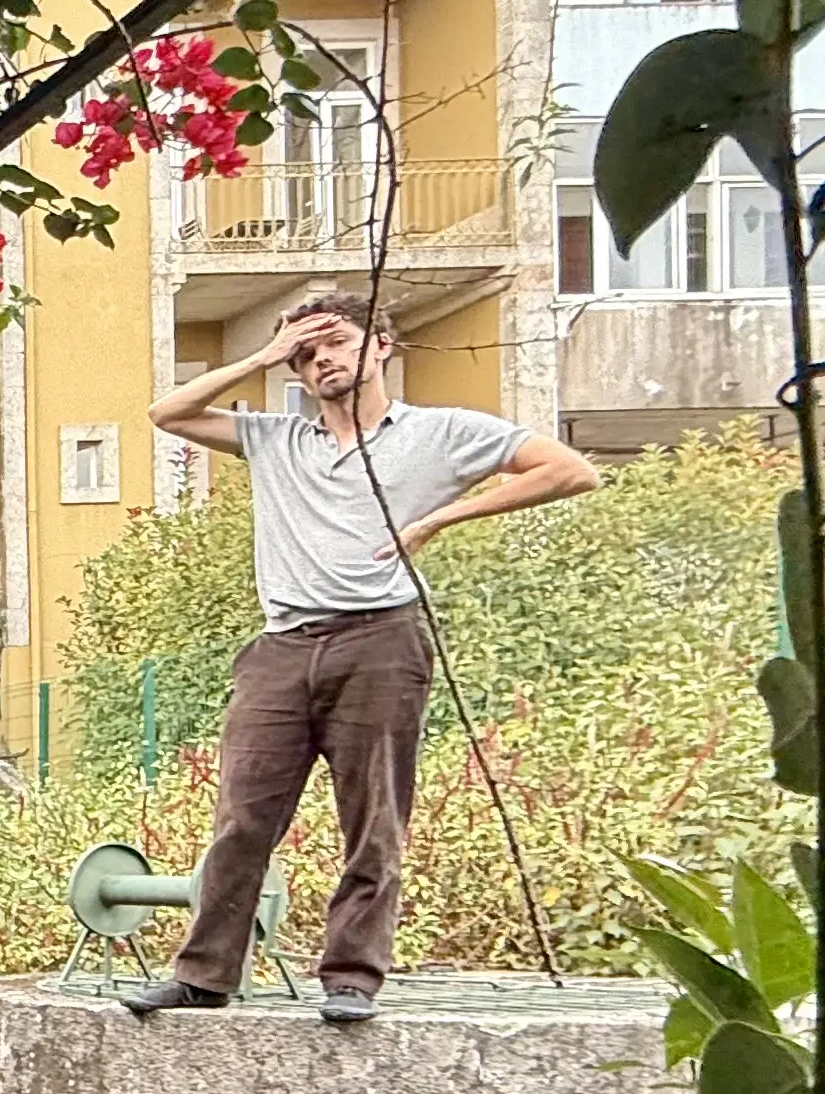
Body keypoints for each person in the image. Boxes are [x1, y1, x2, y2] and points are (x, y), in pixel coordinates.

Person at [134, 288, 598, 1022]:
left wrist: (443, 517)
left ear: (381, 345)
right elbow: (168, 414)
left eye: (338, 343)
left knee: (374, 815)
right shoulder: (276, 439)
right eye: (306, 353)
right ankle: (205, 974)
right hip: (282, 647)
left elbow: (570, 470)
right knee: (242, 819)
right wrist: (263, 354)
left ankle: (352, 977)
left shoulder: (442, 433)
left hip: (381, 640)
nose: (322, 361)